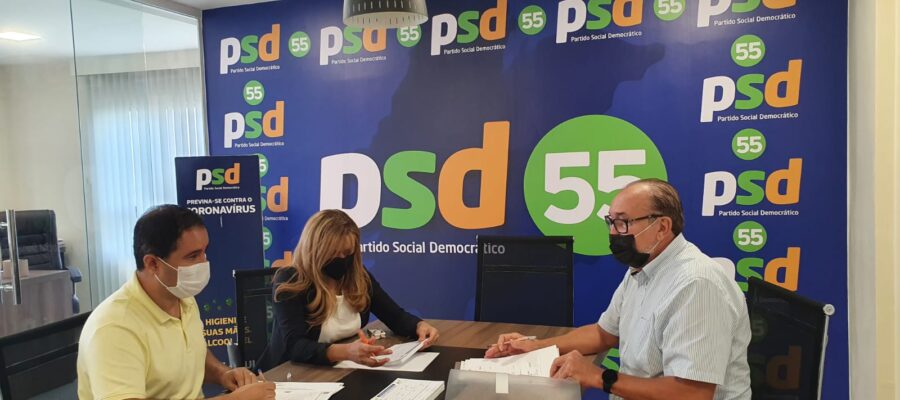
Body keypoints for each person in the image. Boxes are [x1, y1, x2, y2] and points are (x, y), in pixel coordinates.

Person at [486, 179, 751, 400]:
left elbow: (692, 394)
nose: (614, 233)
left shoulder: (696, 284)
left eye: (623, 223)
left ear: (662, 227)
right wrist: (535, 346)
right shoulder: (643, 267)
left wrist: (597, 376)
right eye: (611, 222)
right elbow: (603, 334)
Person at [77, 205, 275, 400]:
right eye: (193, 256)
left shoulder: (182, 297)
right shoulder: (114, 327)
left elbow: (189, 356)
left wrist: (223, 374)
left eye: (204, 252)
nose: (204, 262)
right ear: (152, 263)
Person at [257, 209, 439, 370]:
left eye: (347, 253)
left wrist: (419, 326)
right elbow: (295, 347)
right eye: (333, 253)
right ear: (315, 250)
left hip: (339, 370)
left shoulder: (359, 276)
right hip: (288, 374)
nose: (341, 258)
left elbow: (395, 316)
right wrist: (346, 352)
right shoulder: (290, 280)